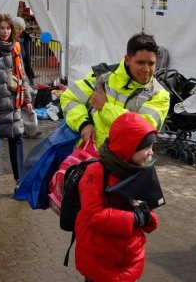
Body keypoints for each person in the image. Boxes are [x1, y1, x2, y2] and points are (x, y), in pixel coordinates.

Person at [75, 112, 160, 282]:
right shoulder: (97, 171)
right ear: (128, 147)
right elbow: (93, 215)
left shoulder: (139, 170)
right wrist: (133, 218)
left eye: (152, 147)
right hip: (100, 260)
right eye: (145, 148)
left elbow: (148, 214)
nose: (150, 153)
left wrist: (148, 218)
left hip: (130, 261)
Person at [60, 32, 170, 148]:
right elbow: (69, 98)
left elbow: (141, 130)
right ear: (127, 59)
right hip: (88, 157)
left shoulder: (160, 95)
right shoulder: (102, 77)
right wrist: (83, 124)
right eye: (140, 62)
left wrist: (105, 107)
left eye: (151, 63)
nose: (146, 69)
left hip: (124, 164)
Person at [0, 13, 29, 193]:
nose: (5, 31)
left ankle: (19, 178)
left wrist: (28, 100)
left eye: (8, 28)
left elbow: (22, 73)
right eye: (1, 28)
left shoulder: (16, 46)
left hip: (13, 99)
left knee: (17, 137)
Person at [13, 17, 41, 139]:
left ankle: (30, 130)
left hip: (23, 75)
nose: (19, 30)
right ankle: (23, 130)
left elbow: (27, 60)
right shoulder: (10, 42)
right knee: (20, 104)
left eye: (21, 28)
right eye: (17, 28)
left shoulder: (25, 40)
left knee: (27, 104)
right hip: (14, 77)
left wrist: (31, 77)